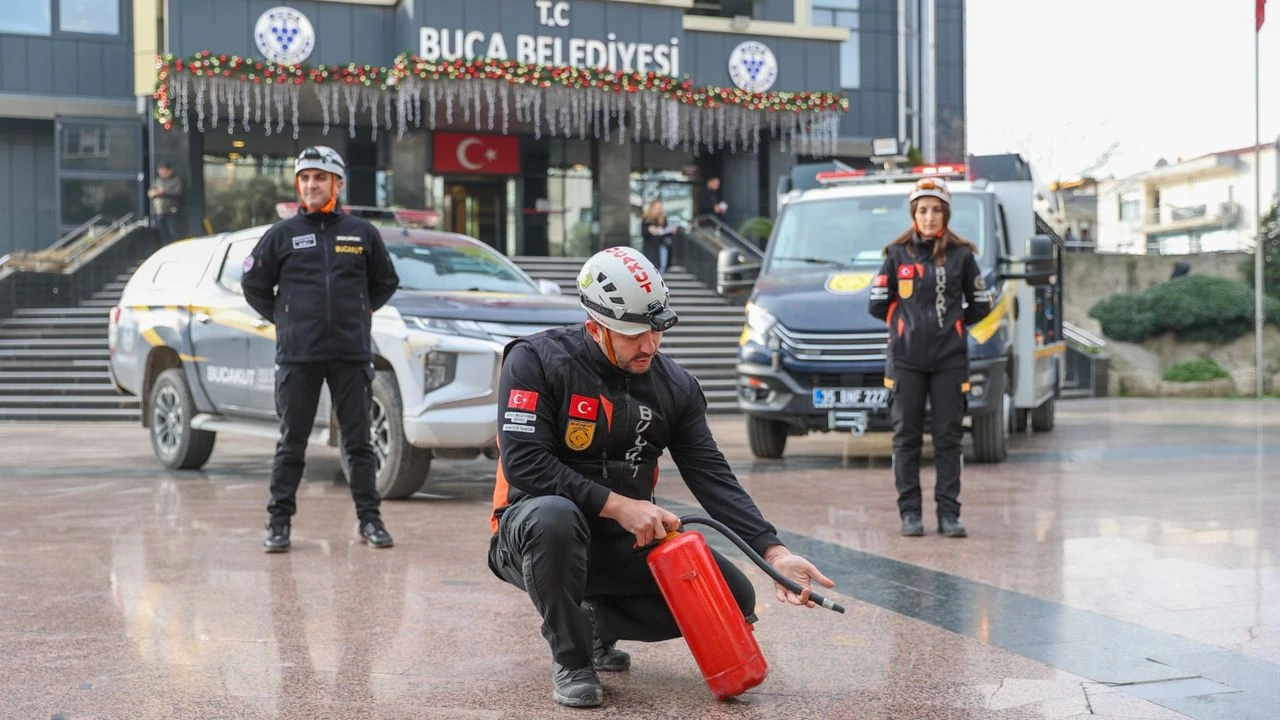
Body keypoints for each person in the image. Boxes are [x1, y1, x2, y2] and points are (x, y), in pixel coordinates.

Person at [486, 247, 835, 709]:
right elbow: (525, 464)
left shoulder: (675, 387)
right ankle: (572, 659)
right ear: (596, 327)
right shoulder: (535, 361)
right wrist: (620, 505)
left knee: (734, 598)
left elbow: (712, 475)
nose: (648, 345)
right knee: (555, 517)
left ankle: (595, 623)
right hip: (531, 534)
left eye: (656, 329)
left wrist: (774, 552)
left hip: (622, 540)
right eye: (633, 334)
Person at [241, 145, 401, 553]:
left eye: (320, 177)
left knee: (359, 443)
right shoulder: (281, 235)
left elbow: (385, 282)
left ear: (337, 183)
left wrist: (359, 313)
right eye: (305, 178)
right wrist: (287, 320)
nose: (311, 185)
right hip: (298, 355)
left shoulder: (361, 233)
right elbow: (255, 286)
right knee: (291, 443)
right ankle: (278, 524)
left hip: (350, 353)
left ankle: (371, 521)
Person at [868, 177, 991, 539]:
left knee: (948, 439)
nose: (930, 217)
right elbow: (876, 304)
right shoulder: (895, 254)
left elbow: (981, 304)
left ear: (946, 214)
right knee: (905, 438)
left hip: (950, 361)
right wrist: (905, 325)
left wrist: (952, 326)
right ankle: (910, 514)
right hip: (905, 361)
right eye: (923, 210)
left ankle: (949, 516)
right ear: (913, 214)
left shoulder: (963, 255)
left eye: (937, 210)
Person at [147, 162, 184, 244]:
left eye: (164, 171)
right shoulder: (157, 181)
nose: (162, 173)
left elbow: (178, 192)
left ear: (170, 171)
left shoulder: (175, 180)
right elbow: (150, 192)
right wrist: (153, 193)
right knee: (162, 235)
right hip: (159, 212)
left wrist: (164, 192)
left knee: (174, 234)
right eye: (160, 171)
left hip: (172, 212)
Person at [639, 199, 675, 273]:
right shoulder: (647, 219)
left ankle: (660, 280)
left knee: (663, 264)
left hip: (662, 244)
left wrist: (670, 231)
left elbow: (666, 231)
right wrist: (650, 230)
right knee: (652, 265)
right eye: (657, 208)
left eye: (660, 208)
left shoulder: (663, 219)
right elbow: (643, 233)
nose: (658, 210)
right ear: (652, 208)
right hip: (651, 247)